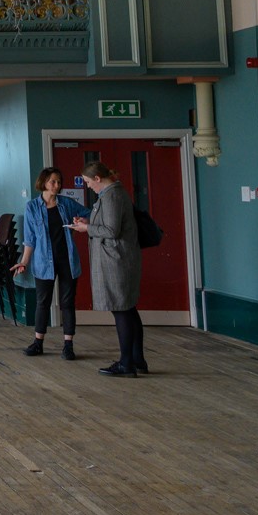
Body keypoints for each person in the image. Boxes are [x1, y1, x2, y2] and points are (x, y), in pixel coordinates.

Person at [69, 161, 147, 377]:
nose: (87, 187)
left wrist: (86, 228)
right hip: (120, 258)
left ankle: (126, 363)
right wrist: (88, 222)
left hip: (116, 260)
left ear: (97, 179)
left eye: (87, 182)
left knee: (121, 308)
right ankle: (136, 359)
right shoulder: (113, 194)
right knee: (128, 308)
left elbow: (111, 230)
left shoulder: (112, 195)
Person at [11, 168, 89, 360]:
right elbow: (30, 240)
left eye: (59, 182)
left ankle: (68, 345)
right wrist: (24, 262)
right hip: (43, 262)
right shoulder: (32, 207)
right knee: (42, 302)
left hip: (67, 260)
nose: (57, 185)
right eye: (53, 181)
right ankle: (38, 343)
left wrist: (83, 221)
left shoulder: (66, 204)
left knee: (67, 303)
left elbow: (88, 213)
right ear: (44, 182)